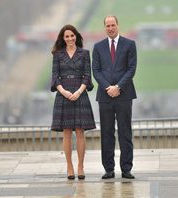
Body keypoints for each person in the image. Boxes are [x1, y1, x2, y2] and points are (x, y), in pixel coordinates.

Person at [92, 15, 137, 179]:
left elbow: (131, 69)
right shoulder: (98, 47)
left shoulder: (129, 45)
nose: (110, 28)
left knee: (125, 132)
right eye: (107, 26)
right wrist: (107, 87)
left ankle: (126, 169)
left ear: (118, 25)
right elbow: (96, 70)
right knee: (106, 132)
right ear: (105, 27)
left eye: (113, 25)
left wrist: (118, 87)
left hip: (124, 95)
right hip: (105, 97)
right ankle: (109, 169)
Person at [50, 24, 96, 180]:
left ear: (76, 36)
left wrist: (78, 91)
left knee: (80, 131)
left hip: (80, 93)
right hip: (63, 94)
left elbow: (87, 76)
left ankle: (80, 166)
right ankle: (69, 166)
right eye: (67, 36)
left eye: (72, 36)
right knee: (67, 132)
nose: (70, 39)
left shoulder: (84, 53)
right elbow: (55, 76)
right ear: (63, 38)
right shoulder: (57, 55)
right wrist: (63, 91)